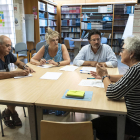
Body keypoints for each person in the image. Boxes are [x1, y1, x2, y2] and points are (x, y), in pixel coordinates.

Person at [91, 35, 140, 140]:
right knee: (102, 112)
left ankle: (125, 135)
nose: (120, 53)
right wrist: (107, 77)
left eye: (123, 49)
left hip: (135, 121)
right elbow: (125, 78)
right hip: (133, 114)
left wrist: (104, 76)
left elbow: (112, 93)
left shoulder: (136, 69)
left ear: (131, 54)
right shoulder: (137, 67)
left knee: (91, 124)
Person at [0, 35, 35, 128]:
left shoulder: (8, 54)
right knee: (11, 92)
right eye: (7, 45)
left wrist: (25, 67)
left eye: (10, 45)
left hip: (5, 84)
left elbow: (19, 62)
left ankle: (7, 112)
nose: (10, 48)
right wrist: (16, 73)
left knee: (17, 90)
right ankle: (13, 112)